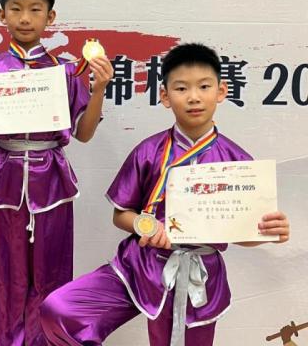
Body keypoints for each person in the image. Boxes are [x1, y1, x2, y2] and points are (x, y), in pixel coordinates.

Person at [40, 42, 290, 345]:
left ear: (221, 91)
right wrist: (146, 225)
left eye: (204, 86)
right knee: (61, 310)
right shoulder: (148, 151)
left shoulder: (238, 162)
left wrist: (267, 232)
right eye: (181, 88)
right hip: (140, 265)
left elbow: (245, 233)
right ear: (165, 96)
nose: (194, 97)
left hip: (199, 275)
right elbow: (121, 214)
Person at [0, 0, 113, 346]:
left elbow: (84, 134)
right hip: (2, 181)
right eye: (16, 8)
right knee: (2, 275)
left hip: (52, 183)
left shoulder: (64, 72)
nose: (25, 18)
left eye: (35, 9)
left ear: (50, 17)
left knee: (51, 273)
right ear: (1, 14)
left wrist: (98, 90)